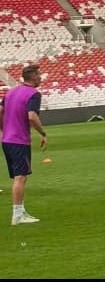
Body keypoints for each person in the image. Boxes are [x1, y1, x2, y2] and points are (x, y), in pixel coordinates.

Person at [2, 65, 46, 226]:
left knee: (17, 177)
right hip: (19, 141)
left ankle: (20, 212)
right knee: (21, 178)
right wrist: (43, 133)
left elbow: (1, 111)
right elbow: (32, 116)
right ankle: (17, 215)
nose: (41, 78)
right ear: (32, 77)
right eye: (39, 75)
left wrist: (4, 129)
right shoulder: (34, 94)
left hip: (6, 140)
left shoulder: (11, 91)